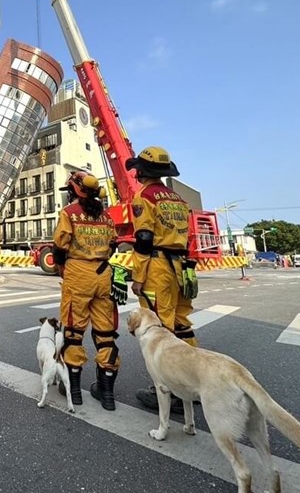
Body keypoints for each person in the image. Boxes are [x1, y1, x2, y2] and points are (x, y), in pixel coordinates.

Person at [125, 146, 197, 413]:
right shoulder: (177, 199)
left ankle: (169, 392)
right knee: (182, 325)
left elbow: (143, 239)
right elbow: (187, 236)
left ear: (142, 171)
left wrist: (139, 275)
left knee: (160, 329)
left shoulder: (144, 197)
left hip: (158, 268)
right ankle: (194, 381)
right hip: (180, 266)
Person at [52, 171, 120, 411]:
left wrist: (62, 267)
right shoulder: (107, 217)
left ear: (73, 191)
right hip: (103, 274)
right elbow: (113, 246)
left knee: (73, 332)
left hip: (77, 274)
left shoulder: (69, 214)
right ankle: (107, 393)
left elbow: (59, 247)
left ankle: (74, 391)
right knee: (106, 334)